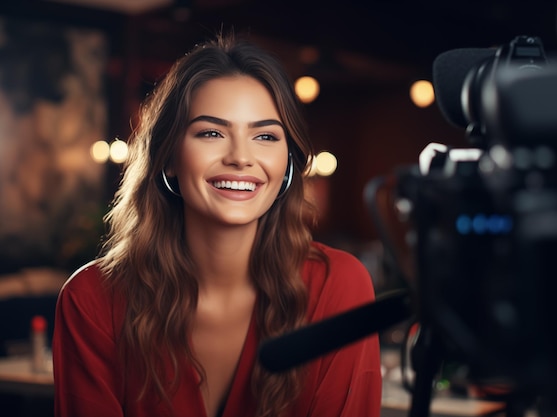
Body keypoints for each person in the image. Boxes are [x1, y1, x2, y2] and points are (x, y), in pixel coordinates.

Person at [52, 31, 382, 417]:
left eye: (265, 135)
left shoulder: (338, 286)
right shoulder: (92, 299)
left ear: (288, 163)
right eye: (211, 132)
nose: (241, 157)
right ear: (170, 157)